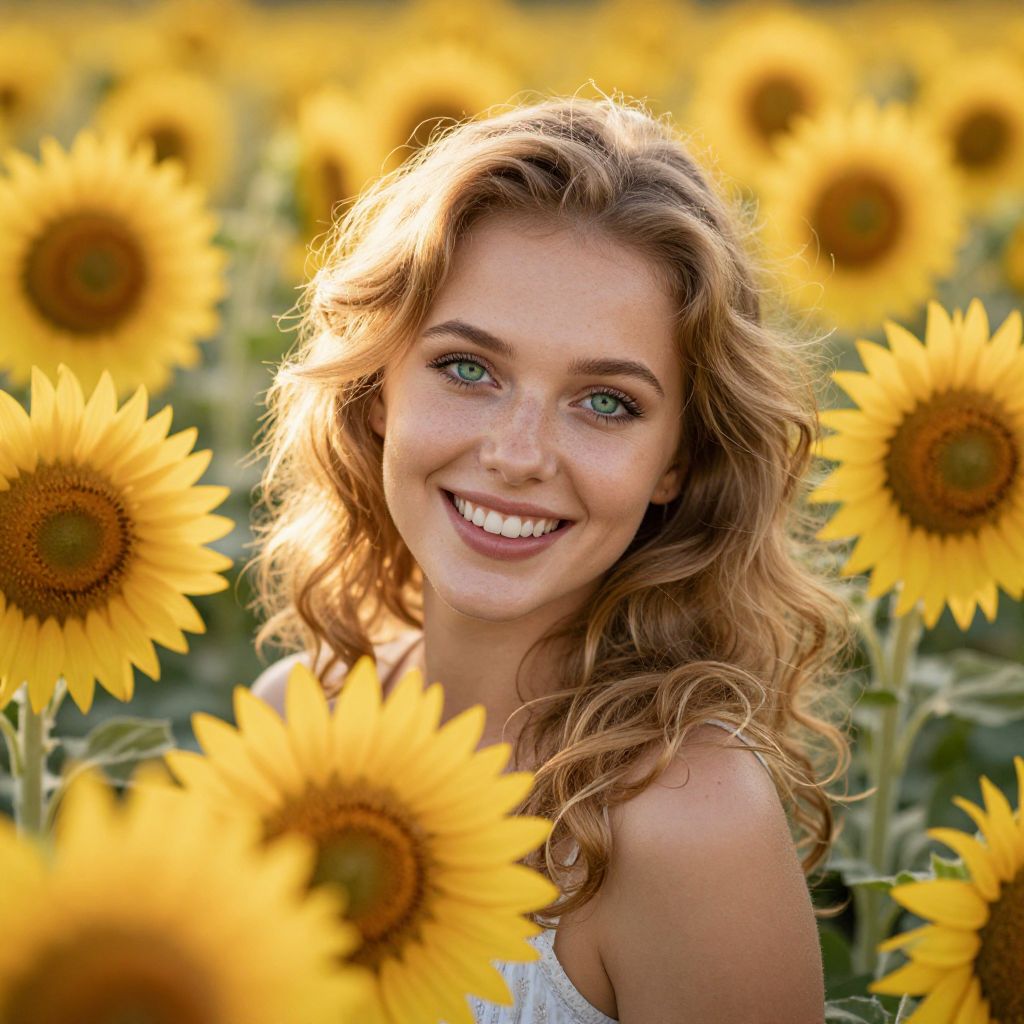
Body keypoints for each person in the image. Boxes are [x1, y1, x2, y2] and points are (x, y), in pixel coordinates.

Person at [249, 95, 853, 1023]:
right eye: (467, 368)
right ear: (378, 393)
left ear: (676, 463)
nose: (519, 454)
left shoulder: (688, 820)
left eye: (606, 402)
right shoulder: (294, 721)